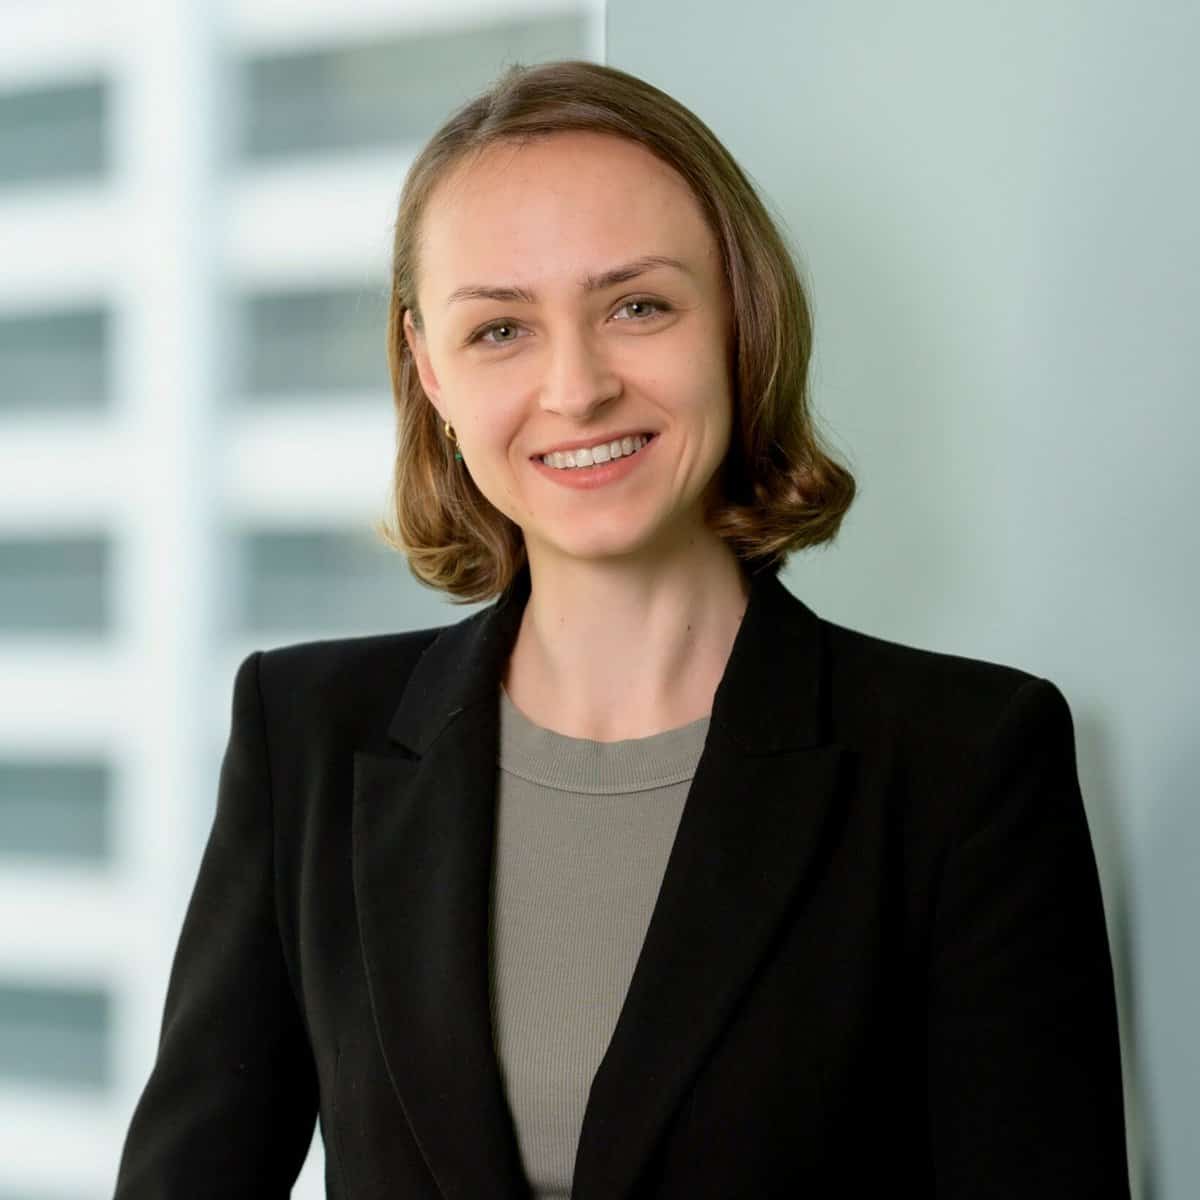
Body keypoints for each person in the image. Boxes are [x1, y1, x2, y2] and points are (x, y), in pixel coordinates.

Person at [113, 60, 1131, 1198]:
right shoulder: (301, 737)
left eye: (637, 306)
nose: (578, 387)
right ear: (428, 372)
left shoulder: (967, 761)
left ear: (740, 318)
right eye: (501, 329)